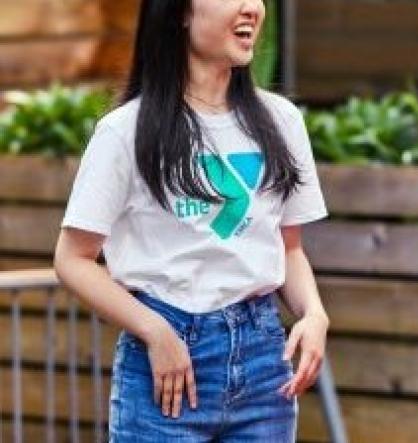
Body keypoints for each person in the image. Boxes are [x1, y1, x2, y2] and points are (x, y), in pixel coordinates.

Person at [53, 0, 329, 441]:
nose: (250, 8)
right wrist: (155, 331)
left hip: (263, 362)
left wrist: (313, 314)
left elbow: (288, 247)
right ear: (180, 12)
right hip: (166, 366)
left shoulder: (282, 121)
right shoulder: (125, 131)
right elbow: (72, 260)